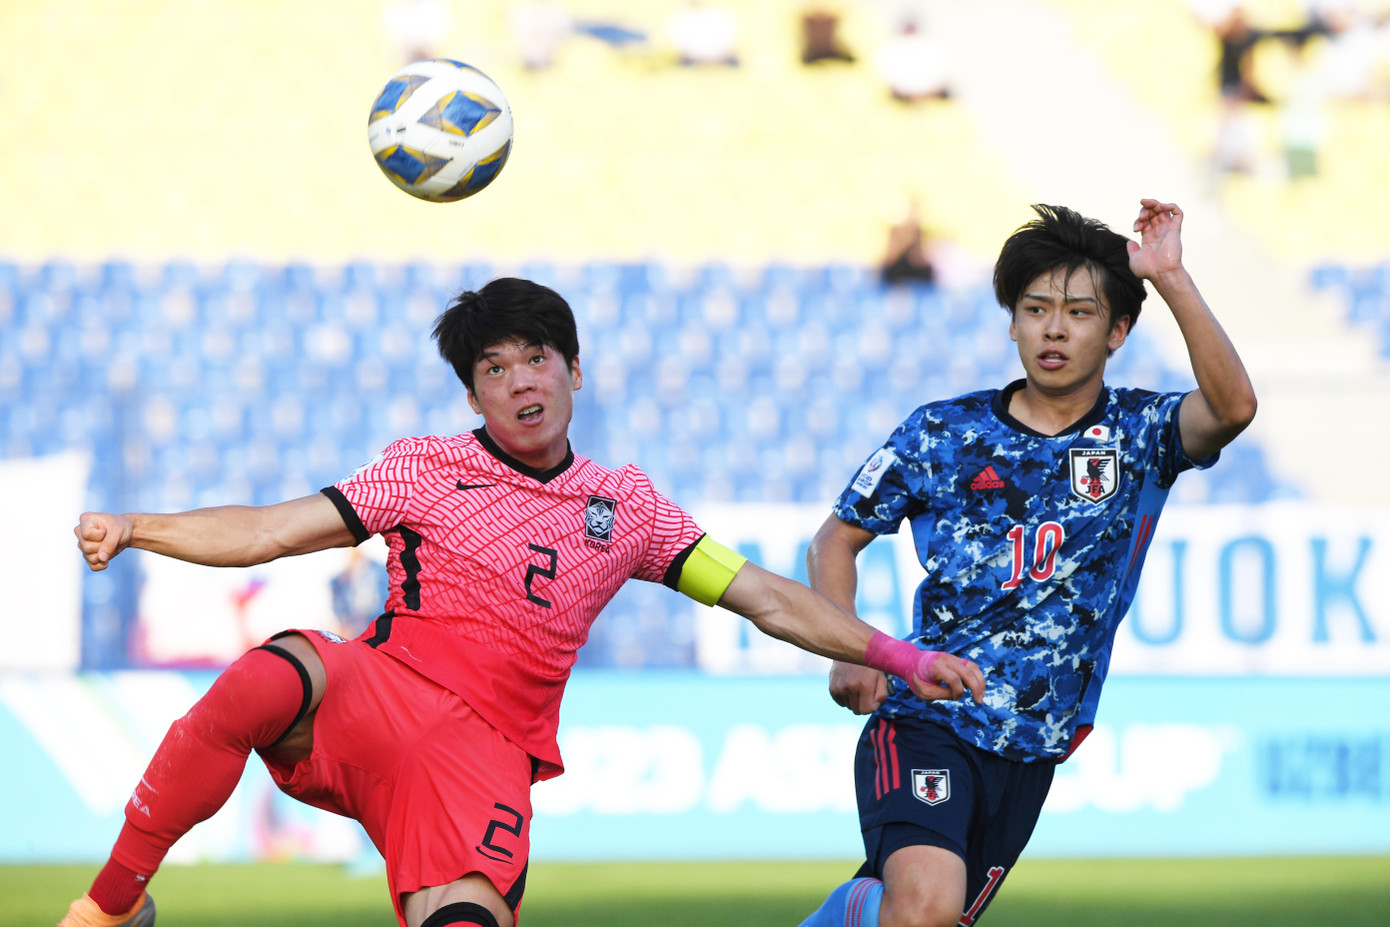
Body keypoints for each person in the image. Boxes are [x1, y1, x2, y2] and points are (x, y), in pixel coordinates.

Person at [59, 277, 985, 927]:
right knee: (268, 675)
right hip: (375, 693)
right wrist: (138, 526)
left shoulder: (630, 509)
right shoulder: (424, 467)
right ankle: (110, 905)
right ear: (473, 392)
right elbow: (266, 531)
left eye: (536, 357)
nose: (520, 381)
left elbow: (766, 599)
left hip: (484, 758)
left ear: (573, 371)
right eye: (494, 369)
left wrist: (895, 656)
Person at [798, 200, 1257, 927]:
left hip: (1032, 745)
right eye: (1036, 307)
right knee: (926, 907)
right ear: (1011, 320)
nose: (1053, 326)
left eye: (1079, 311)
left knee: (923, 919)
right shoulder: (942, 431)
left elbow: (1232, 407)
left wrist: (1169, 276)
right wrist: (848, 648)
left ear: (1117, 331)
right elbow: (835, 539)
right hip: (928, 715)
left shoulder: (1139, 435)